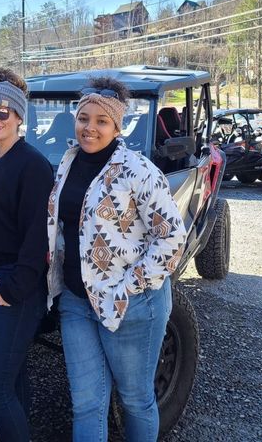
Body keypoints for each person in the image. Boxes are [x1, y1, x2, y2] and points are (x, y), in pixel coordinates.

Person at [46, 77, 187, 442]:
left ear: (117, 126)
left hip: (132, 304)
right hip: (77, 302)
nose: (89, 128)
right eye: (83, 118)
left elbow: (172, 237)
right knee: (87, 403)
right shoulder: (67, 162)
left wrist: (128, 289)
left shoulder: (137, 170)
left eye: (101, 121)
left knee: (135, 399)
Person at [0, 68, 53, 442]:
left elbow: (39, 235)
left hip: (14, 285)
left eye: (2, 112)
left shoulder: (32, 165)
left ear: (19, 116)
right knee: (12, 376)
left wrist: (13, 287)